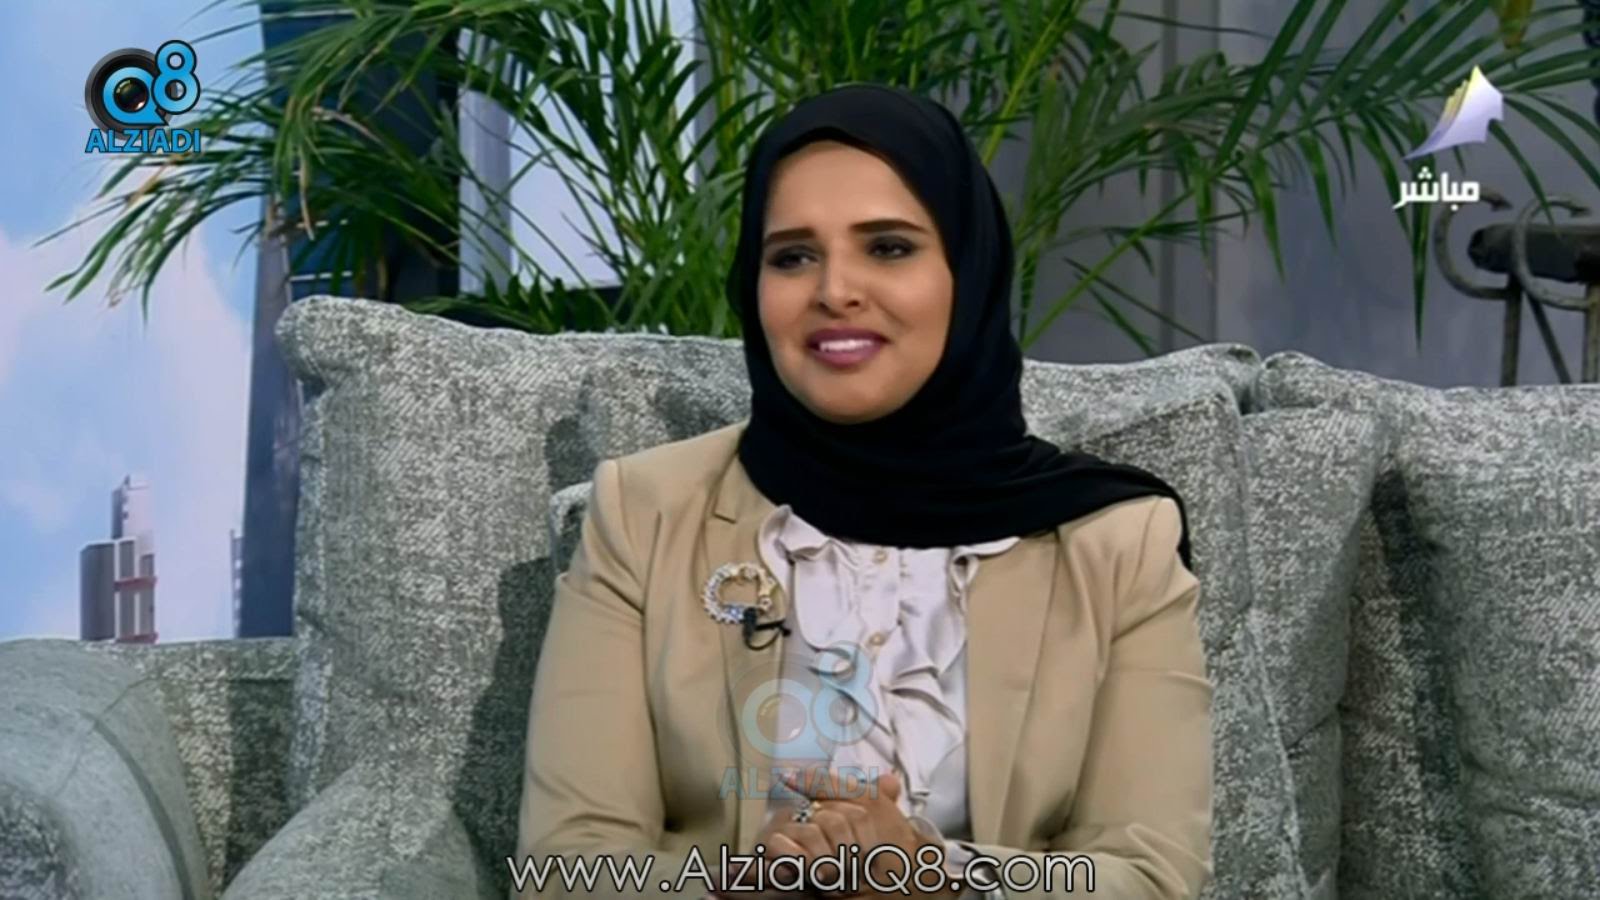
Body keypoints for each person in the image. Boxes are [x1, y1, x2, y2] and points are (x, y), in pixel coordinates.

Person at [513, 83, 1213, 900]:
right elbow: (564, 868)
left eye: (888, 247)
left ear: (967, 272)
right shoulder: (644, 512)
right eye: (792, 256)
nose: (835, 290)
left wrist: (928, 878)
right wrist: (764, 886)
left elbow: (1151, 876)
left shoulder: (1117, 540)